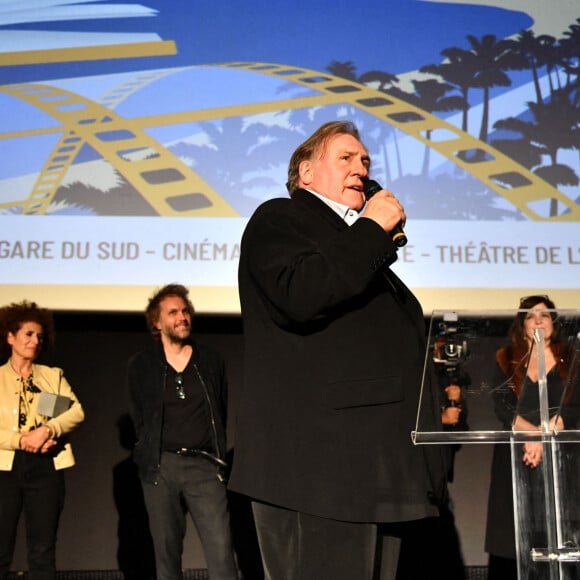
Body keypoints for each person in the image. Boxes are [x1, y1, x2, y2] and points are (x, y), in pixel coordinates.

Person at [228, 120, 451, 580]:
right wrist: (371, 228)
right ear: (306, 173)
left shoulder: (358, 247)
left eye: (365, 160)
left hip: (370, 468)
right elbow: (302, 295)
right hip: (318, 469)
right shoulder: (281, 218)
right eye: (345, 158)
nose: (360, 168)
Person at [126, 283, 239, 580]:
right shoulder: (142, 365)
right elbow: (140, 416)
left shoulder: (210, 360)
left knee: (222, 549)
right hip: (162, 466)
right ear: (157, 322)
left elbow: (220, 408)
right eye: (173, 312)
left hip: (204, 465)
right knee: (167, 551)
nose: (182, 316)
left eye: (185, 310)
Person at [485, 295, 579, 579]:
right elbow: (502, 405)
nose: (538, 320)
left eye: (545, 315)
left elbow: (576, 404)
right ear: (521, 324)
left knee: (563, 531)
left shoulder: (573, 357)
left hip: (563, 453)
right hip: (516, 453)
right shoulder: (505, 357)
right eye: (530, 316)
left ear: (554, 322)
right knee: (514, 537)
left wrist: (548, 432)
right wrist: (529, 435)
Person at [0, 300, 85, 580]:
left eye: (39, 335)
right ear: (10, 337)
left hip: (46, 467)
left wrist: (48, 431)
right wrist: (20, 440)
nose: (35, 340)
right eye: (28, 334)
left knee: (42, 550)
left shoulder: (50, 377)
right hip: (5, 469)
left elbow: (75, 411)